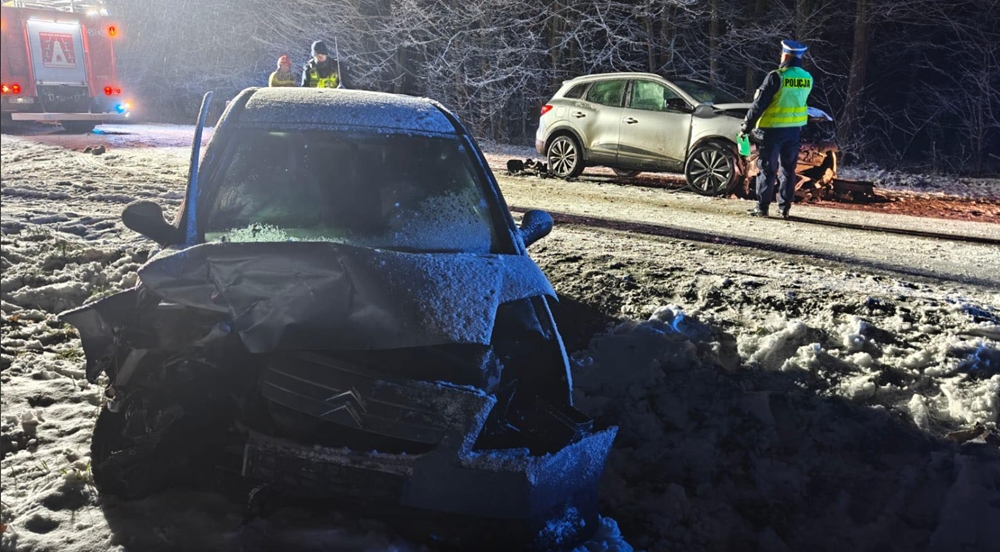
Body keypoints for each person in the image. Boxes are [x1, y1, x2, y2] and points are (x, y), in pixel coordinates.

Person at [741, 39, 813, 219]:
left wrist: (746, 126)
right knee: (788, 169)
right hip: (794, 130)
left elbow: (759, 105)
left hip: (772, 130)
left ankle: (762, 207)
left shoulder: (776, 76)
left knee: (768, 168)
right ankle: (784, 208)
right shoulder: (807, 78)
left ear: (785, 56)